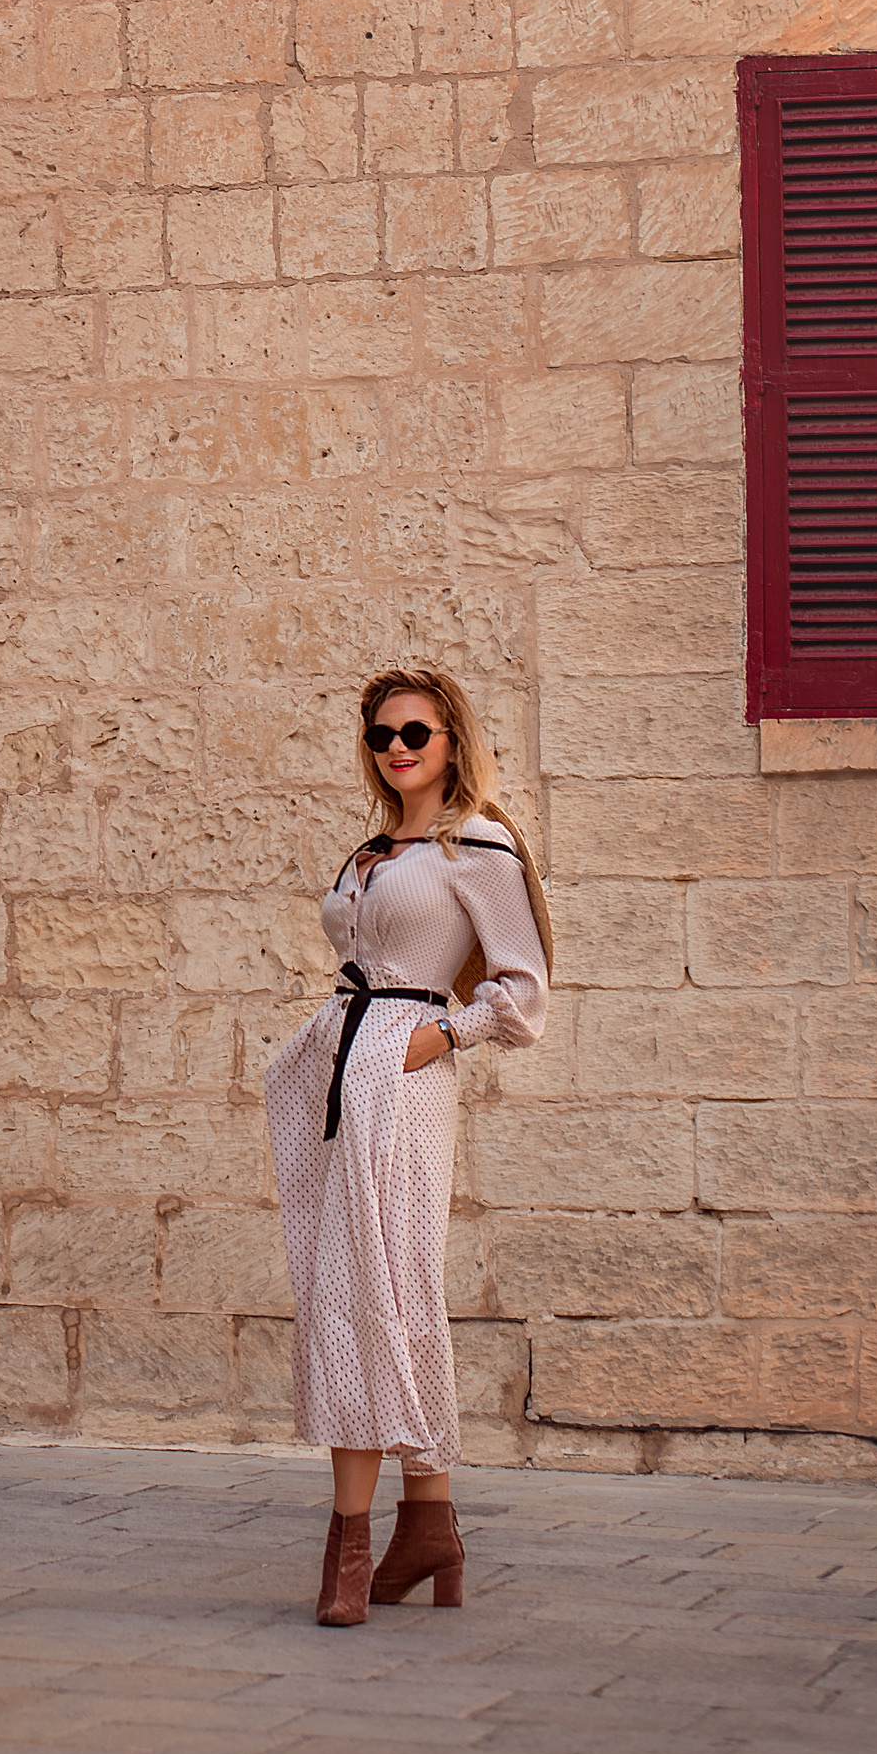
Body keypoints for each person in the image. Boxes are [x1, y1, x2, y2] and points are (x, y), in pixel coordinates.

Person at [263, 666, 552, 1627]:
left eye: (416, 733)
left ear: (452, 741)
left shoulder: (478, 846)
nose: (397, 748)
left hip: (406, 1068)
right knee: (374, 1280)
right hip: (345, 1064)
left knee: (370, 1285)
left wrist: (445, 1037)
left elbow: (524, 987)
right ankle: (427, 1524)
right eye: (382, 732)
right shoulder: (372, 850)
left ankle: (348, 1546)